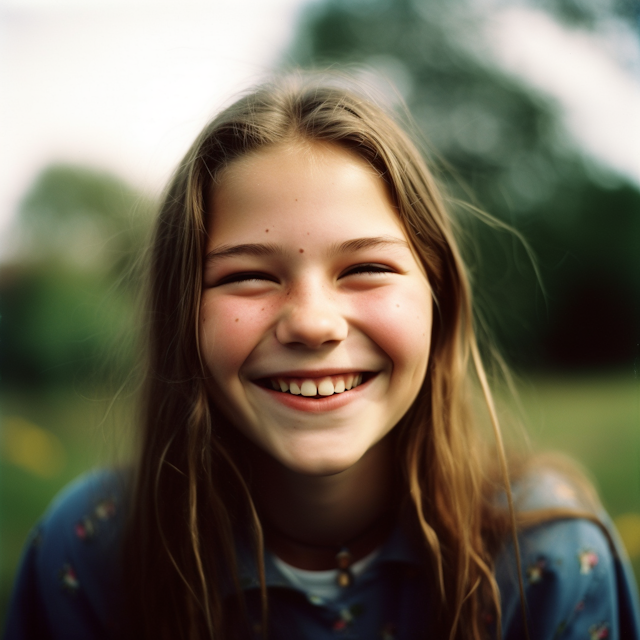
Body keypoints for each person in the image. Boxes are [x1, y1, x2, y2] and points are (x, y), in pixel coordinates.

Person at [4, 74, 640, 640]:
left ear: (436, 297)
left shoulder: (550, 563)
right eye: (247, 276)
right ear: (182, 316)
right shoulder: (93, 551)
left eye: (365, 267)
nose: (312, 323)